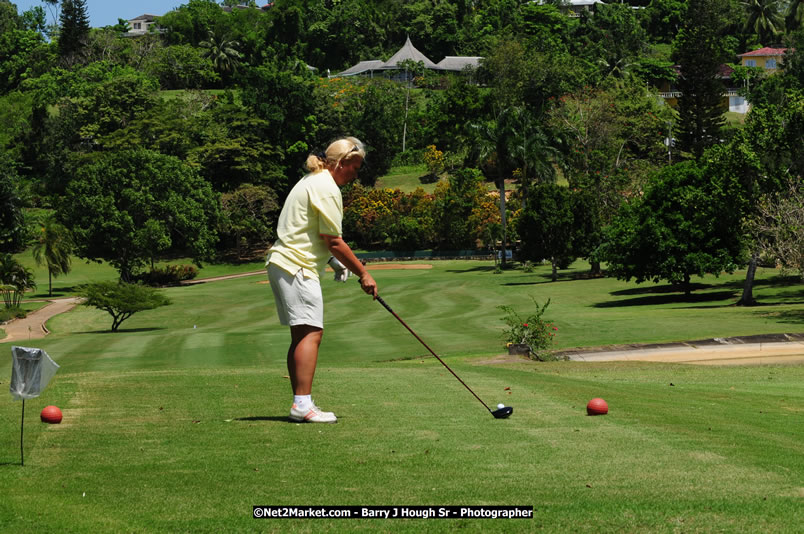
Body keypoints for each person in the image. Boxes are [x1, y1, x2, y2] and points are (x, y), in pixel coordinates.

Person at [266, 137, 377, 423]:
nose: (356, 174)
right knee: (311, 333)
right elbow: (333, 240)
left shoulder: (311, 180)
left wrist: (333, 262)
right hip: (297, 267)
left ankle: (300, 402)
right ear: (341, 163)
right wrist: (363, 273)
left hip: (284, 263)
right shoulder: (327, 188)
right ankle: (302, 405)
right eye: (354, 167)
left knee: (301, 334)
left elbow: (309, 232)